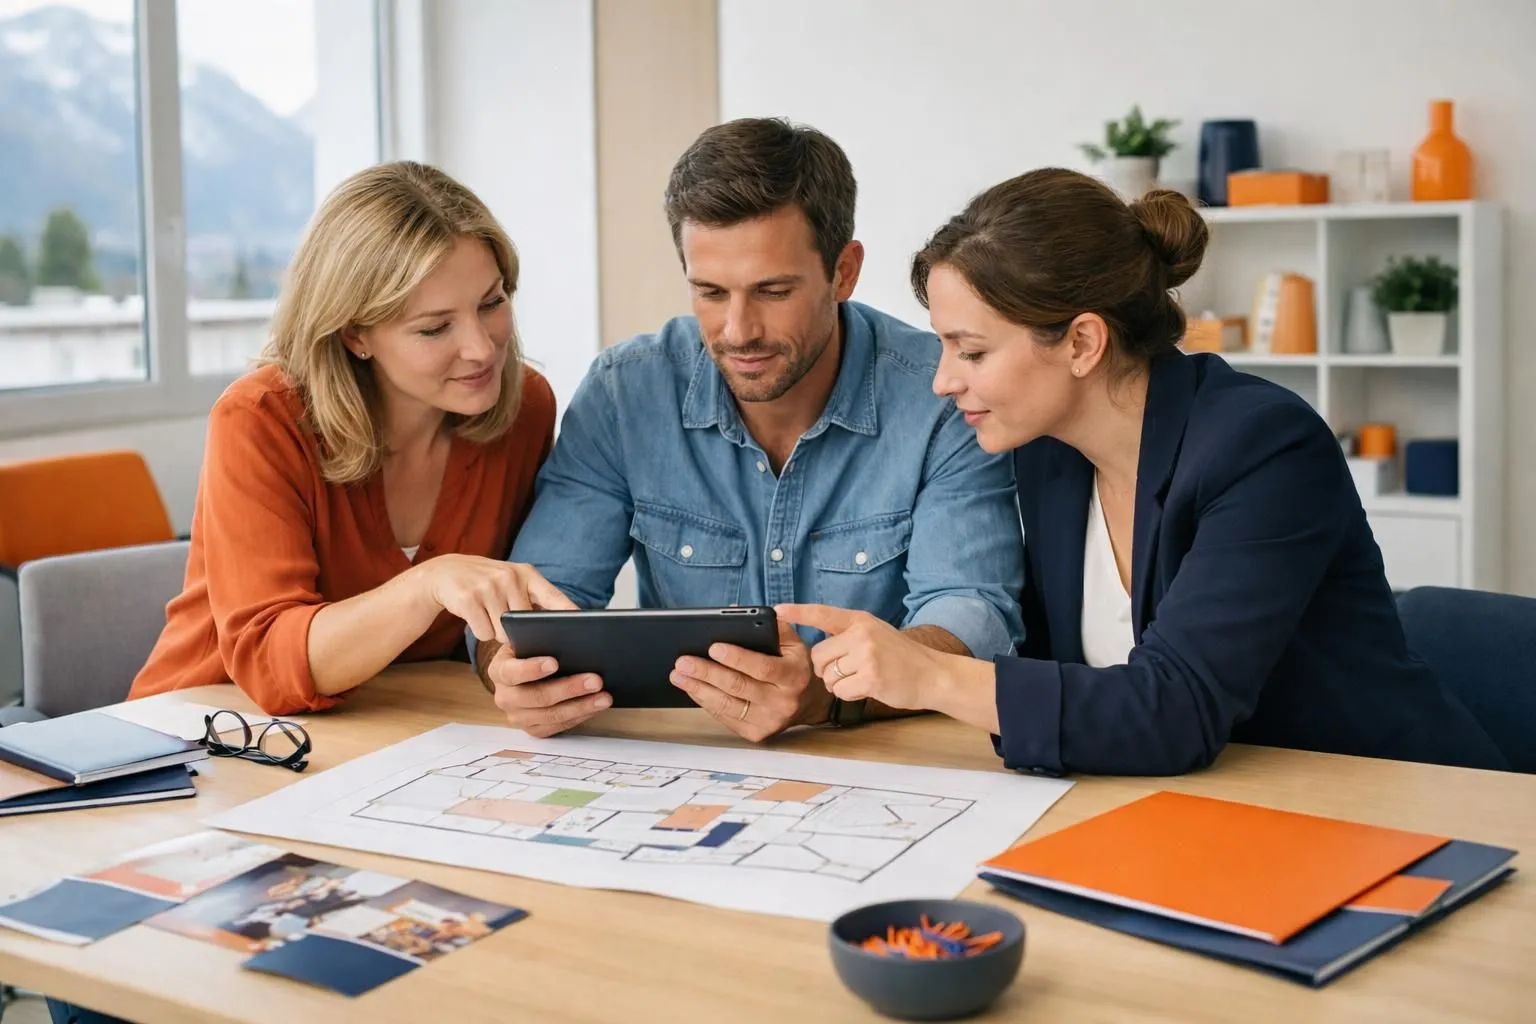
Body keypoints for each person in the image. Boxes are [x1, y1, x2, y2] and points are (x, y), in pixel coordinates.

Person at [779, 167, 1507, 776]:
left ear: (1083, 342)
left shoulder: (1264, 449)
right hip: (1217, 812)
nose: (943, 382)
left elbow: (1175, 708)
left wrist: (930, 674)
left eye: (971, 352)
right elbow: (1053, 674)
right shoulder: (1049, 452)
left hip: (1402, 805)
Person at [475, 117, 1024, 742]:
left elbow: (975, 615)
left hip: (892, 763)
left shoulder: (942, 394)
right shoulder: (626, 392)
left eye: (773, 290)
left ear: (843, 272)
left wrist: (827, 695)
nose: (738, 330)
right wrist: (510, 672)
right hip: (688, 771)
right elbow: (532, 601)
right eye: (709, 291)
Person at [127, 161, 574, 718]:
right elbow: (271, 661)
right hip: (209, 733)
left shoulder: (524, 406)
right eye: (435, 328)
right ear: (354, 333)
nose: (482, 349)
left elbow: (493, 616)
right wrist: (429, 582)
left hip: (399, 730)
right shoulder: (260, 419)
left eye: (492, 302)